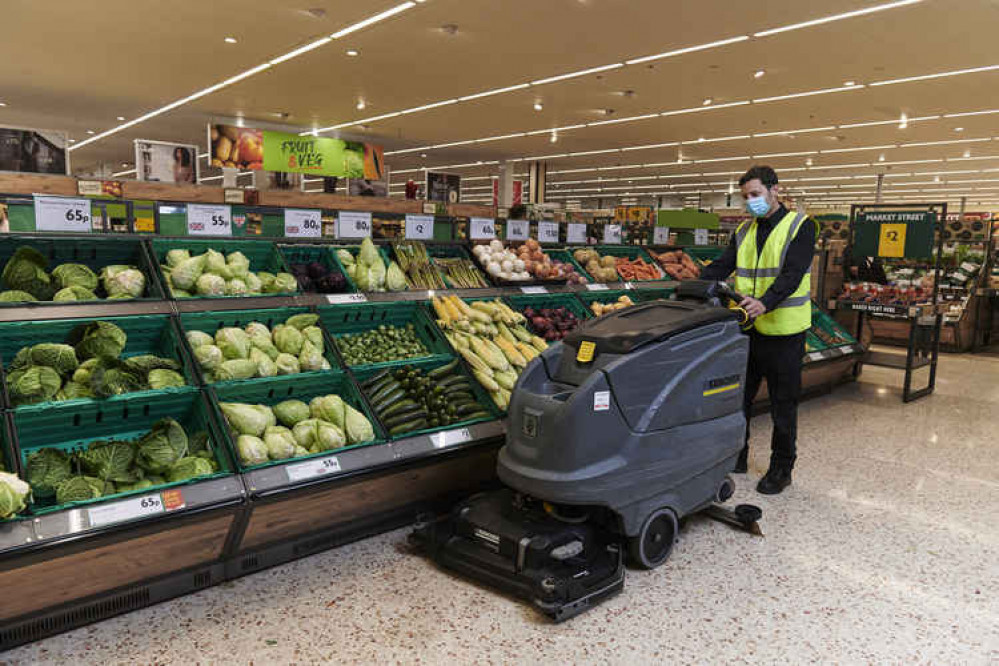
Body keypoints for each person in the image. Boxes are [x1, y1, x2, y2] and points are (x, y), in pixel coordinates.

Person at [701, 165, 817, 495]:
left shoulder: (801, 227)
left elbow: (792, 275)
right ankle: (736, 454)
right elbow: (724, 266)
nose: (750, 201)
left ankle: (782, 468)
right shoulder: (744, 231)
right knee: (739, 399)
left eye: (755, 194)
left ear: (774, 190)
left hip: (785, 332)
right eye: (745, 196)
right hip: (748, 330)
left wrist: (766, 302)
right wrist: (692, 283)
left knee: (783, 404)